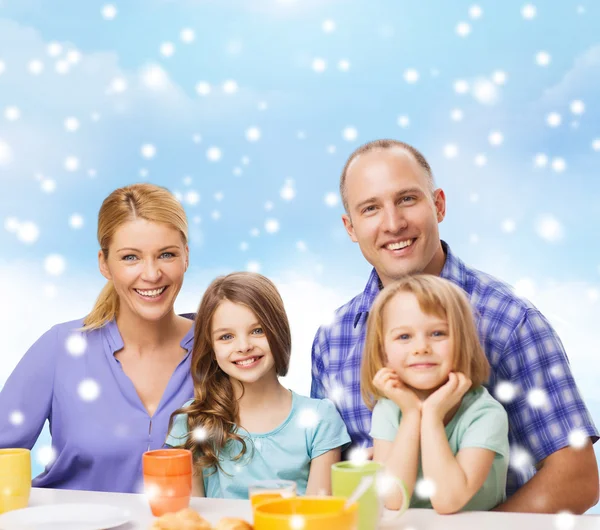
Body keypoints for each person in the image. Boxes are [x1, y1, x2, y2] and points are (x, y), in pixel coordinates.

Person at [311, 139, 599, 513]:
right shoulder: (332, 339)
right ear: (351, 227)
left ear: (439, 205)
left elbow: (576, 479)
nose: (393, 224)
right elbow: (322, 473)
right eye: (371, 209)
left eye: (407, 199)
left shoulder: (510, 322)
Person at [0, 183, 195, 493]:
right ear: (104, 263)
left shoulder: (220, 350)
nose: (151, 274)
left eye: (166, 255)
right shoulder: (60, 348)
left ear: (186, 256)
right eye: (130, 258)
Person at [166, 272, 350, 499]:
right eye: (226, 337)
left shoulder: (320, 419)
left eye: (257, 331)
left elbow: (319, 516)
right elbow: (191, 518)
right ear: (211, 349)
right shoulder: (193, 421)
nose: (243, 346)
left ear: (278, 332)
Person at [363, 274, 508, 513]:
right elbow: (393, 499)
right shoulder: (389, 409)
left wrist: (430, 415)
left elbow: (448, 501)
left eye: (438, 333)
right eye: (404, 336)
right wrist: (411, 414)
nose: (421, 348)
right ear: (383, 351)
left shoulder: (485, 414)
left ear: (463, 342)